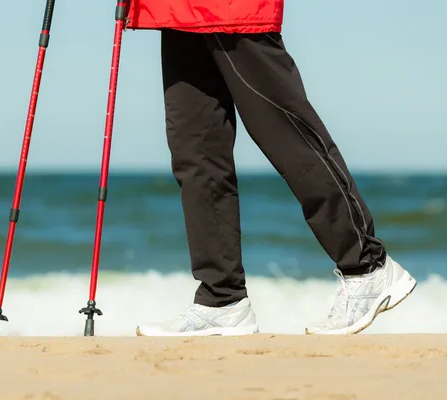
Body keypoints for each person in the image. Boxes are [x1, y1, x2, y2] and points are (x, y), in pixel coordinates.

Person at [124, 0, 417, 336]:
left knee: (286, 134)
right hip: (173, 10)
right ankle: (221, 299)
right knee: (195, 151)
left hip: (231, 9)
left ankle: (367, 267)